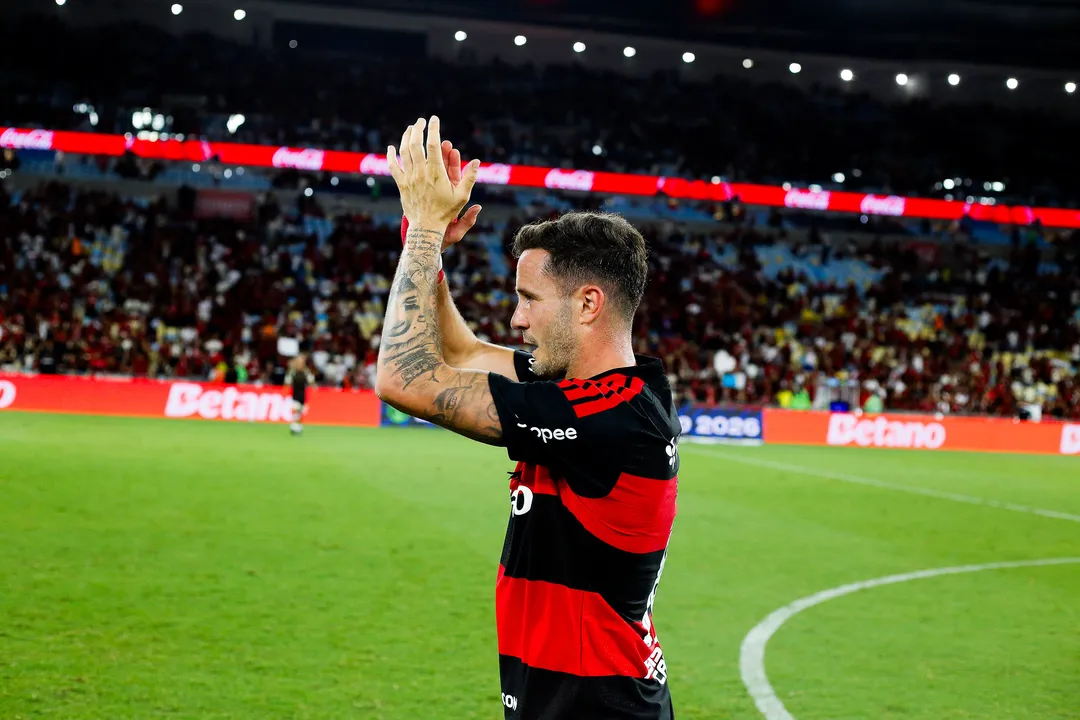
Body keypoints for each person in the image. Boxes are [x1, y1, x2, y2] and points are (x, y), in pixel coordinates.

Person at [375, 117, 679, 719]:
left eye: (529, 299)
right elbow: (456, 353)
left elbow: (402, 377)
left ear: (588, 303)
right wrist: (424, 241)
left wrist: (425, 234)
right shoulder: (596, 390)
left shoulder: (612, 418)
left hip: (597, 710)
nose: (516, 319)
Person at [284, 352, 314, 435]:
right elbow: (287, 383)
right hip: (295, 395)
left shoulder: (306, 372)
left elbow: (311, 382)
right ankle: (294, 426)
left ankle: (298, 426)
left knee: (301, 412)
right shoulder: (293, 372)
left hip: (303, 396)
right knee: (296, 411)